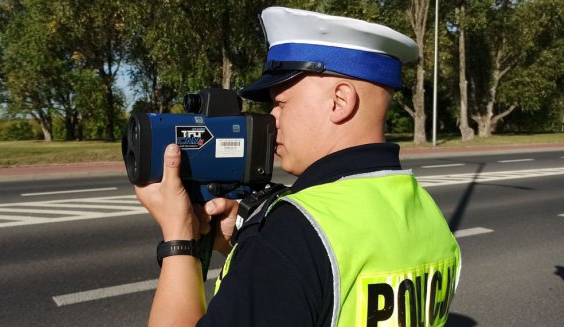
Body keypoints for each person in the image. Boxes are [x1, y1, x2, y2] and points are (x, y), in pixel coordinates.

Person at [135, 6, 461, 327]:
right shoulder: (428, 214)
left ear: (340, 101)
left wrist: (179, 238)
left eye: (280, 103)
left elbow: (308, 268)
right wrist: (242, 245)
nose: (272, 119)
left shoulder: (292, 234)